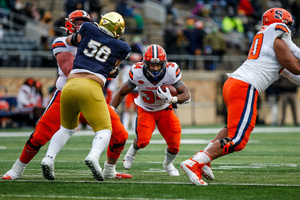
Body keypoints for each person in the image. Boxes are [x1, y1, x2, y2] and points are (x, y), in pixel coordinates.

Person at [2, 10, 131, 181]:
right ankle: (17, 169)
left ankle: (109, 170)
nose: (80, 26)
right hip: (66, 93)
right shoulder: (62, 41)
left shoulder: (94, 37)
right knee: (40, 135)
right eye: (77, 22)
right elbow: (70, 70)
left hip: (90, 95)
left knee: (120, 134)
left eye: (83, 22)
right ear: (69, 24)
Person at [181, 7, 300, 185]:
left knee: (230, 129)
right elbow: (296, 65)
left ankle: (204, 159)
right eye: (288, 25)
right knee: (238, 140)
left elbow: (296, 76)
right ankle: (195, 162)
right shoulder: (277, 38)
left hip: (235, 84)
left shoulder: (269, 43)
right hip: (245, 86)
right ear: (281, 23)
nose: (289, 29)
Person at [110, 44, 191, 176]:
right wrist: (111, 109)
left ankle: (168, 164)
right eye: (151, 65)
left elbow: (186, 96)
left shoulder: (171, 71)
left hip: (165, 109)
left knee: (175, 145)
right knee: (143, 141)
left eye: (158, 65)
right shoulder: (137, 71)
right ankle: (131, 153)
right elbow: (121, 92)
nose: (154, 68)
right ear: (145, 63)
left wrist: (172, 99)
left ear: (164, 64)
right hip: (146, 109)